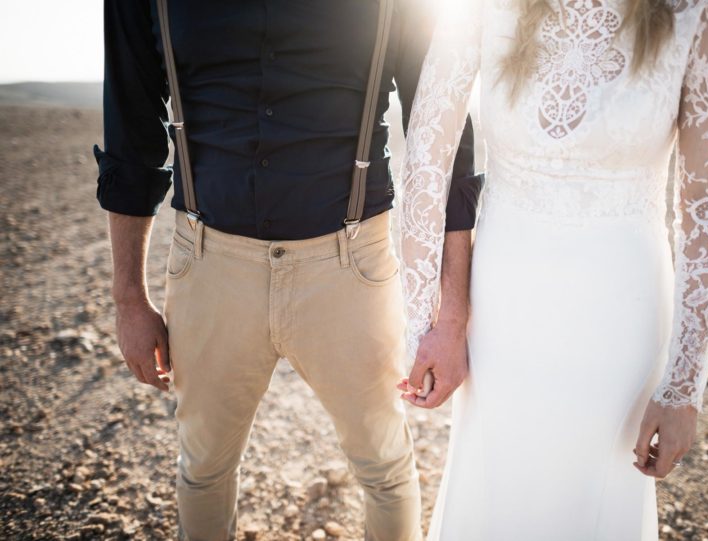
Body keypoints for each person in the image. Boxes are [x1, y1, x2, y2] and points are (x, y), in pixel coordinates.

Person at [92, 1, 484, 540]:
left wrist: (452, 316)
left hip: (351, 264)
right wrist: (128, 300)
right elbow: (130, 133)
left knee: (384, 467)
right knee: (202, 470)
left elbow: (446, 141)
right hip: (208, 264)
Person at [396, 0, 708, 538]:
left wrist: (682, 389)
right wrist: (431, 323)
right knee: (496, 487)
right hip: (502, 310)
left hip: (619, 314)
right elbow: (427, 150)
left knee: (596, 495)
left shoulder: (704, 8)